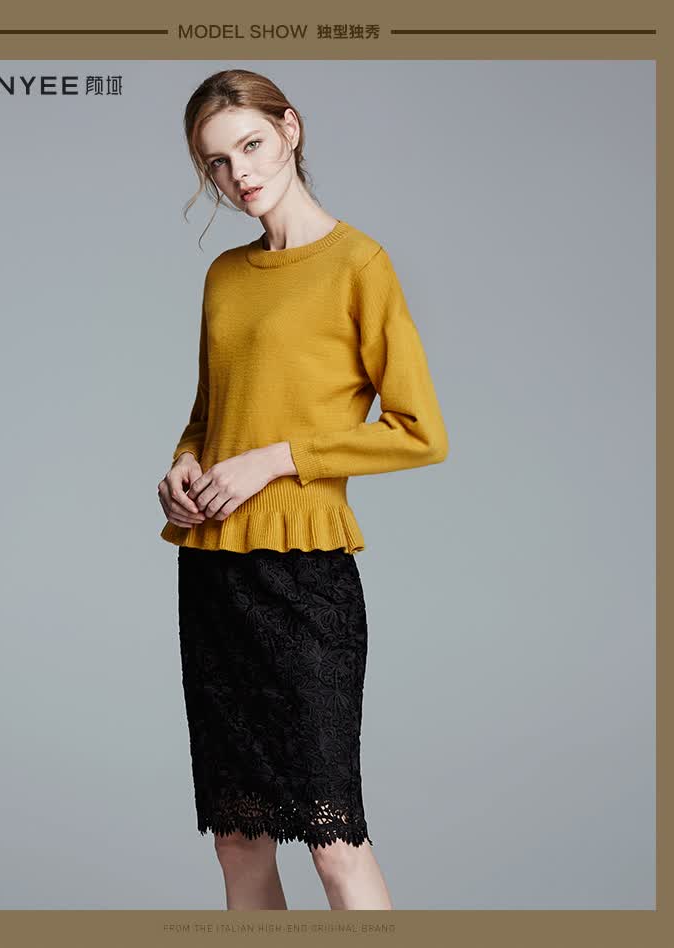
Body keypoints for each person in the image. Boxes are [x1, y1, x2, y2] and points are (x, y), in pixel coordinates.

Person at [157, 69, 449, 911]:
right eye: (217, 162)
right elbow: (210, 414)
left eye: (251, 144)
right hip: (213, 572)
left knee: (333, 842)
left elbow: (421, 431)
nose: (238, 173)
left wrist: (280, 458)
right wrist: (182, 466)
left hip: (305, 578)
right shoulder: (225, 276)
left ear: (291, 129)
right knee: (238, 837)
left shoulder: (359, 264)